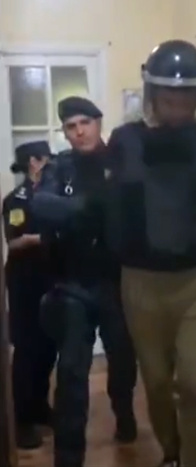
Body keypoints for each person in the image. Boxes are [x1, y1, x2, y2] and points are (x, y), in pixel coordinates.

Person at [103, 40, 196, 467]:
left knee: (195, 385)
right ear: (153, 93)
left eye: (186, 97)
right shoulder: (125, 140)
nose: (178, 106)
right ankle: (172, 453)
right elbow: (111, 207)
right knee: (155, 382)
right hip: (141, 282)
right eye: (170, 97)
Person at [31, 96, 138, 467]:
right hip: (72, 284)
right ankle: (68, 457)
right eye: (71, 127)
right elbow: (41, 205)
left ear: (98, 122)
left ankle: (125, 416)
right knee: (72, 373)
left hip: (116, 283)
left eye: (85, 123)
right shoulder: (60, 168)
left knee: (123, 363)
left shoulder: (120, 162)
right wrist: (87, 207)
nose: (79, 132)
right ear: (65, 132)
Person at [2, 141, 56, 449]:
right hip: (25, 282)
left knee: (48, 347)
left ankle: (39, 407)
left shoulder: (53, 196)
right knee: (27, 349)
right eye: (47, 161)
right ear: (34, 163)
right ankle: (22, 421)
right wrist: (46, 237)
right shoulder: (17, 200)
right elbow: (15, 242)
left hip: (50, 278)